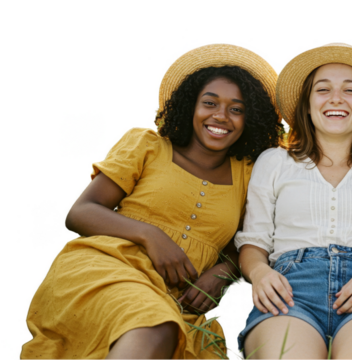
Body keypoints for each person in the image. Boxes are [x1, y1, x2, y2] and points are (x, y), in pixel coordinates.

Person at [20, 42, 281, 359]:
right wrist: (150, 235)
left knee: (166, 330)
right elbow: (80, 212)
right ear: (190, 105)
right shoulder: (146, 142)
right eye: (209, 103)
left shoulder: (251, 173)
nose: (221, 116)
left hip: (178, 299)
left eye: (236, 109)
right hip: (106, 268)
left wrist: (225, 271)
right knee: (153, 326)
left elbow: (251, 243)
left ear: (250, 118)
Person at [234, 41, 352, 359]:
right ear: (307, 104)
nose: (336, 98)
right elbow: (254, 244)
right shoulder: (274, 161)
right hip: (290, 290)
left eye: (350, 90)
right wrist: (260, 274)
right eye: (323, 90)